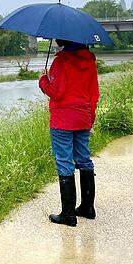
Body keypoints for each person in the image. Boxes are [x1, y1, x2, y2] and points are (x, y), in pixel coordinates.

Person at [38, 38, 99, 227]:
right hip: (83, 116)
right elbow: (94, 93)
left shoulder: (61, 61)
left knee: (64, 162)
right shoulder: (90, 62)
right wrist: (90, 117)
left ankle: (68, 214)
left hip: (63, 119)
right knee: (84, 160)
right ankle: (88, 208)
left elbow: (56, 92)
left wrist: (43, 80)